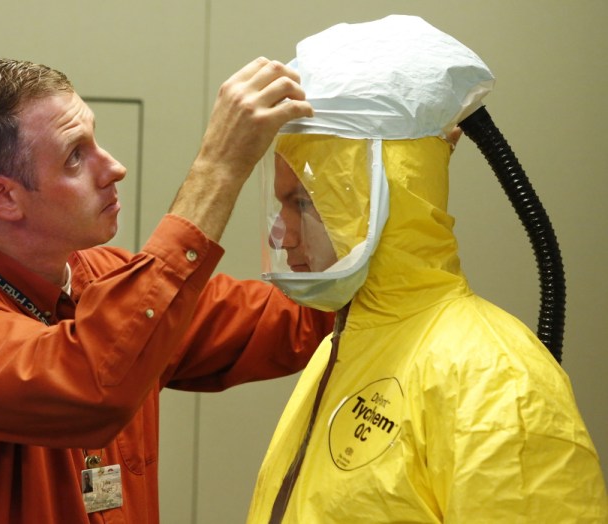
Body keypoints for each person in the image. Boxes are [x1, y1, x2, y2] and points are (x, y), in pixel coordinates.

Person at [0, 57, 335, 523]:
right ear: (3, 197)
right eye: (74, 156)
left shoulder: (106, 278)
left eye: (94, 140)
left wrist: (373, 243)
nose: (113, 167)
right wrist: (218, 166)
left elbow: (296, 319)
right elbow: (90, 383)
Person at [247, 16, 608, 523]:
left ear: (380, 195)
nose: (278, 234)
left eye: (304, 202)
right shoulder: (340, 348)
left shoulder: (498, 379)